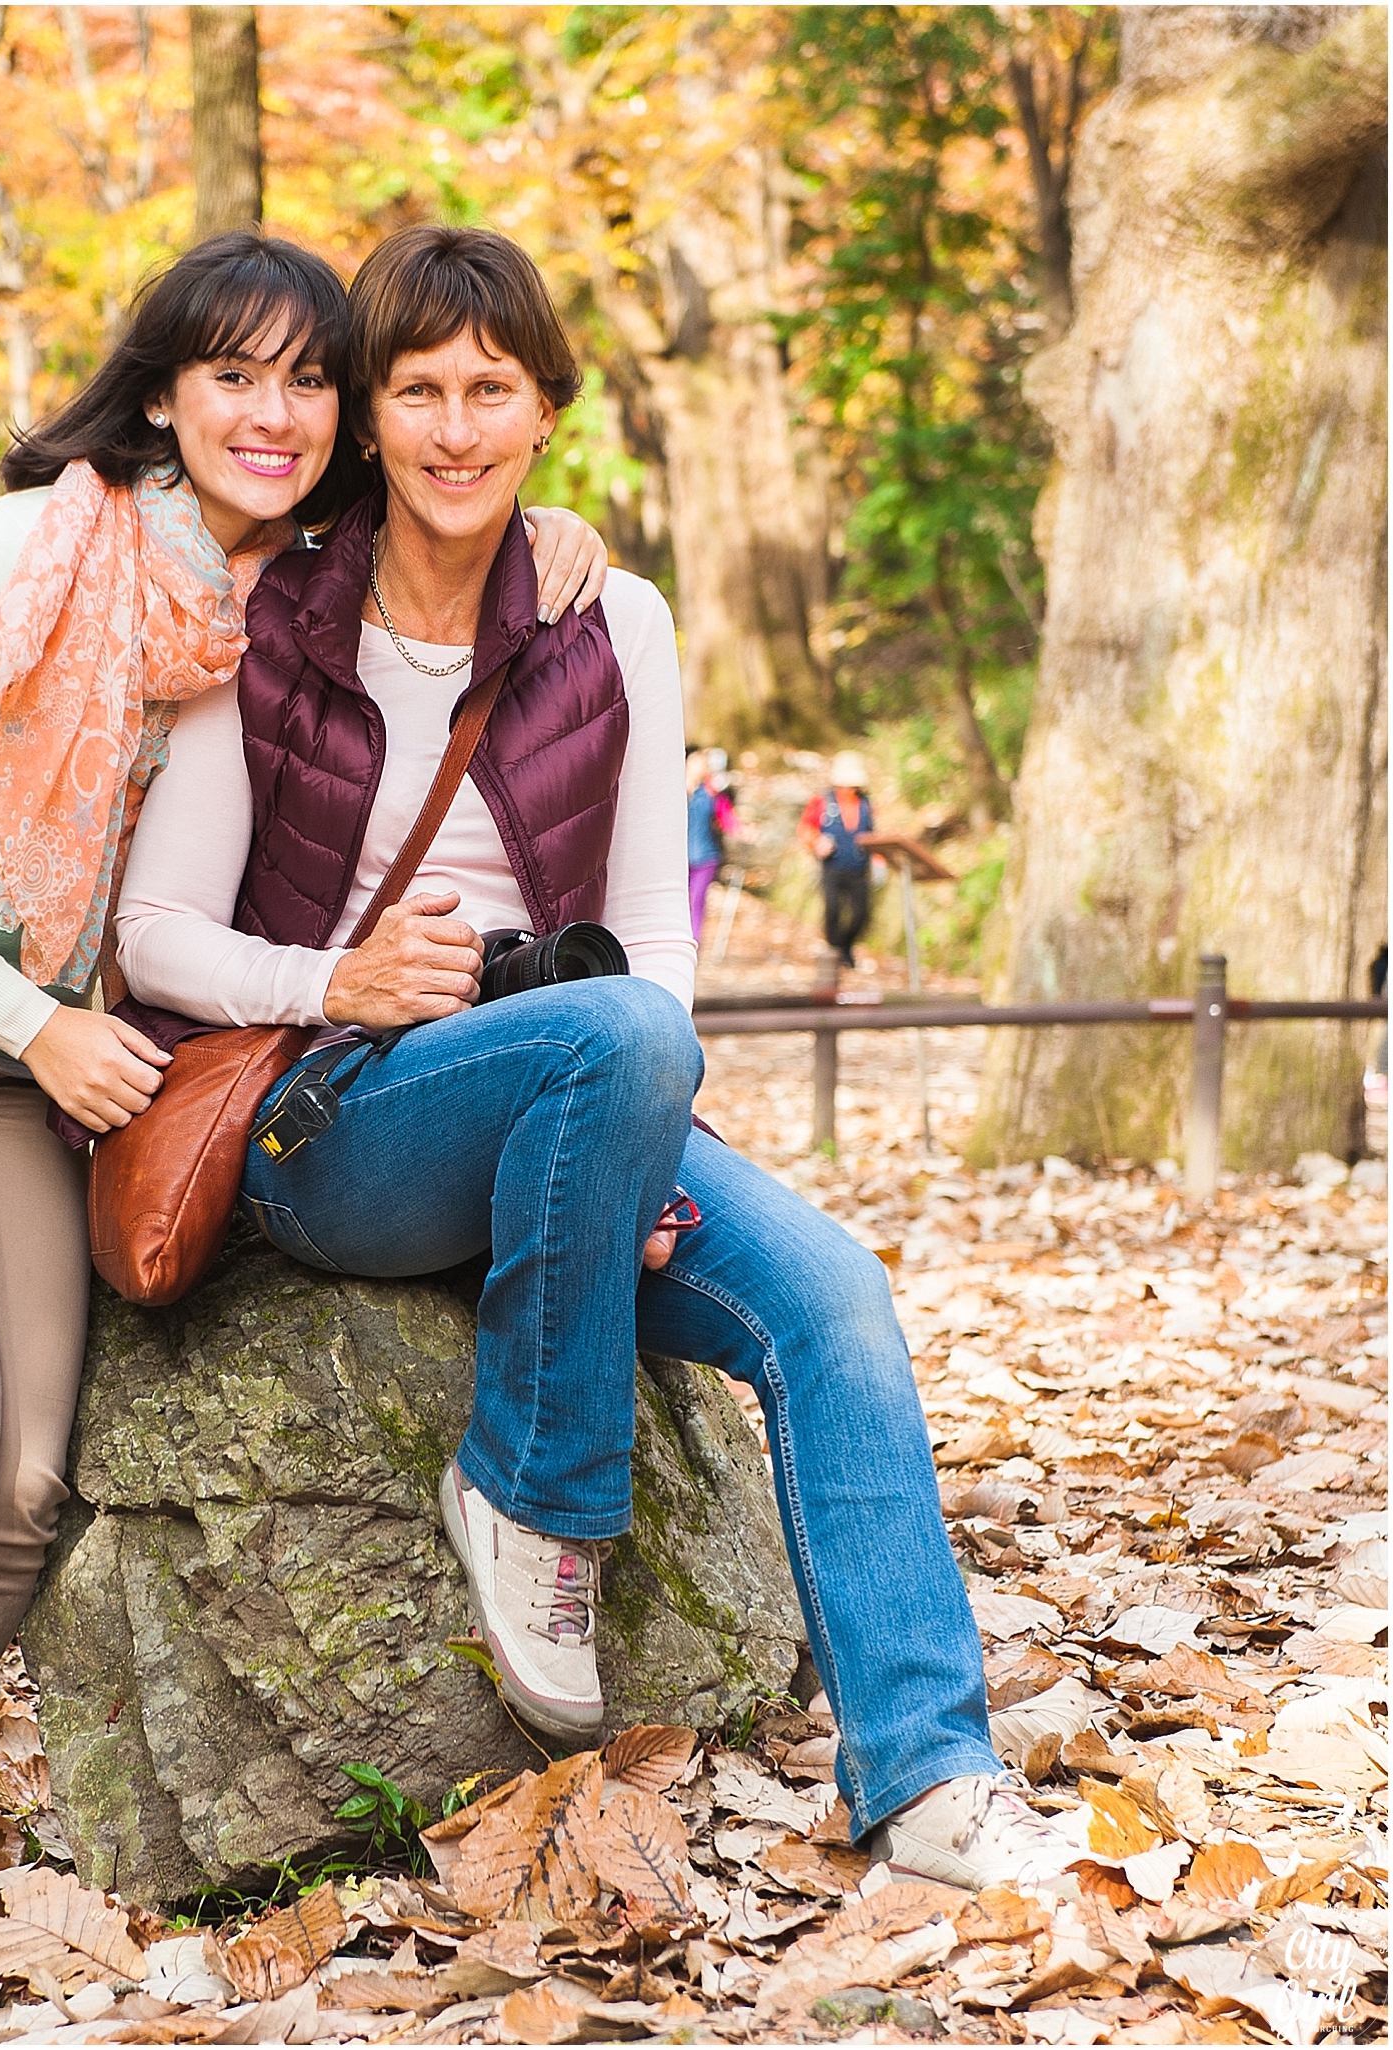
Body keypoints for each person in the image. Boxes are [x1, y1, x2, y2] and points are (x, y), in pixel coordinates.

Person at [0, 231, 608, 1990]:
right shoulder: (14, 557)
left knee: (29, 1474)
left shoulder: (276, 584)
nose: (270, 413)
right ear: (162, 391)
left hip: (19, 1038)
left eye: (306, 379)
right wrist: (36, 1030)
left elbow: (461, 540)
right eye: (230, 376)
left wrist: (552, 542)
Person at [114, 225, 1072, 1893]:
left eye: (490, 389)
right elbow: (155, 936)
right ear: (364, 415)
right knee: (614, 1036)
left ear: (545, 410)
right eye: (415, 390)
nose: (454, 428)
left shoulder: (607, 616)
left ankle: (925, 1774)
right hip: (330, 1119)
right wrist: (337, 978)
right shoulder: (267, 621)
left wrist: (620, 1148)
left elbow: (653, 936)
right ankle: (533, 1496)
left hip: (578, 1088)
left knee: (831, 1295)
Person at [800, 749, 874, 967]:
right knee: (832, 909)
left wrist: (877, 861)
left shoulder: (865, 803)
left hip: (858, 868)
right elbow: (805, 828)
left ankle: (845, 946)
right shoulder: (822, 800)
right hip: (832, 866)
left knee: (861, 913)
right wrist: (817, 842)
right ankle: (835, 953)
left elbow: (872, 832)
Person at [685, 747, 736, 949]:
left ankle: (694, 942)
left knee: (697, 901)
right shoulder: (677, 790)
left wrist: (742, 830)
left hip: (705, 856)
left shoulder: (712, 793)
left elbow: (727, 817)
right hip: (680, 857)